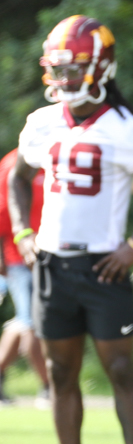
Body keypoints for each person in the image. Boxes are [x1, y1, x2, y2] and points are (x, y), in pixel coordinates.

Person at [8, 15, 133, 444]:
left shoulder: (126, 126)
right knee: (60, 371)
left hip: (103, 264)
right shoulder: (42, 122)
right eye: (58, 70)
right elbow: (17, 177)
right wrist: (24, 232)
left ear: (101, 67)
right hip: (52, 264)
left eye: (73, 68)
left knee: (121, 369)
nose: (63, 79)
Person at [0, 149, 49, 404]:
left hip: (50, 256)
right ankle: (48, 386)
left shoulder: (54, 158)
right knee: (32, 324)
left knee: (23, 322)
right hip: (18, 258)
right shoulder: (12, 164)